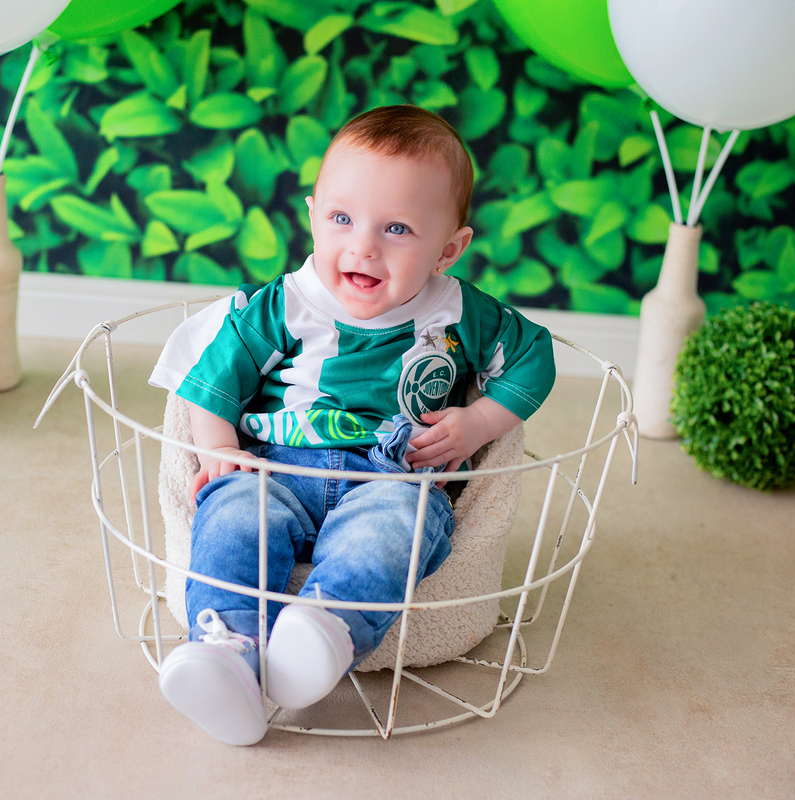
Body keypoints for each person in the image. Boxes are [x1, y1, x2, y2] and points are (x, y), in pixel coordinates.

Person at [147, 105, 556, 745]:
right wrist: (221, 448)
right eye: (341, 219)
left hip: (392, 477)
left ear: (448, 249)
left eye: (397, 228)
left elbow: (534, 358)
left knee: (395, 530)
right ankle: (226, 651)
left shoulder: (458, 312)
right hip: (276, 464)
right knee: (232, 513)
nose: (363, 246)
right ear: (313, 215)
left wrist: (479, 421)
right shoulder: (285, 303)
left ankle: (321, 630)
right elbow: (214, 376)